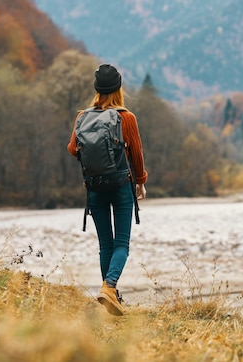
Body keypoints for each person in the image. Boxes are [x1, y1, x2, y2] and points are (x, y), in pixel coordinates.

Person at [67, 64, 148, 316]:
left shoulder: (82, 117)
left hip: (94, 187)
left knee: (106, 245)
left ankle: (111, 295)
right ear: (118, 88)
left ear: (96, 90)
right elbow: (136, 154)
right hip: (121, 186)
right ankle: (109, 288)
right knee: (121, 244)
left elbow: (72, 148)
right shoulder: (126, 117)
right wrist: (141, 181)